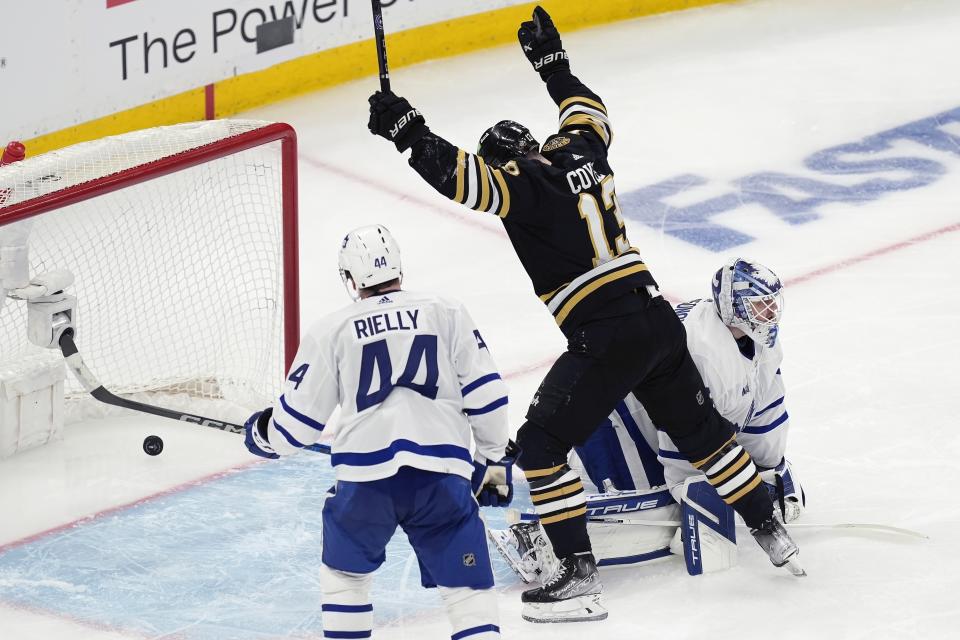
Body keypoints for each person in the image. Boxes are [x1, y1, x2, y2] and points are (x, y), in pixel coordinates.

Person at [367, 5, 799, 623]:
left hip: (607, 332)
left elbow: (461, 177)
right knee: (704, 438)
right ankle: (770, 531)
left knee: (541, 447)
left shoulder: (523, 185)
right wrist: (551, 62)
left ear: (511, 160)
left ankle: (577, 573)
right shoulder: (580, 150)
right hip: (656, 320)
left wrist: (408, 130)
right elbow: (588, 108)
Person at [244, 224, 512, 640]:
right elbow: (487, 395)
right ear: (399, 269)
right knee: (465, 590)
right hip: (440, 478)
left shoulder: (331, 329)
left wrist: (264, 433)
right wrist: (493, 464)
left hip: (364, 483)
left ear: (350, 279)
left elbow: (294, 429)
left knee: (345, 578)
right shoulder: (446, 309)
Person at [492, 259, 806, 579]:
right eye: (760, 306)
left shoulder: (761, 341)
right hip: (621, 424)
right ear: (733, 307)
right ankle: (537, 541)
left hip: (666, 425)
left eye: (771, 304)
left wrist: (769, 470)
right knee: (661, 516)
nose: (771, 314)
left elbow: (766, 408)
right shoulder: (704, 350)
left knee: (707, 493)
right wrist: (700, 496)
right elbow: (687, 448)